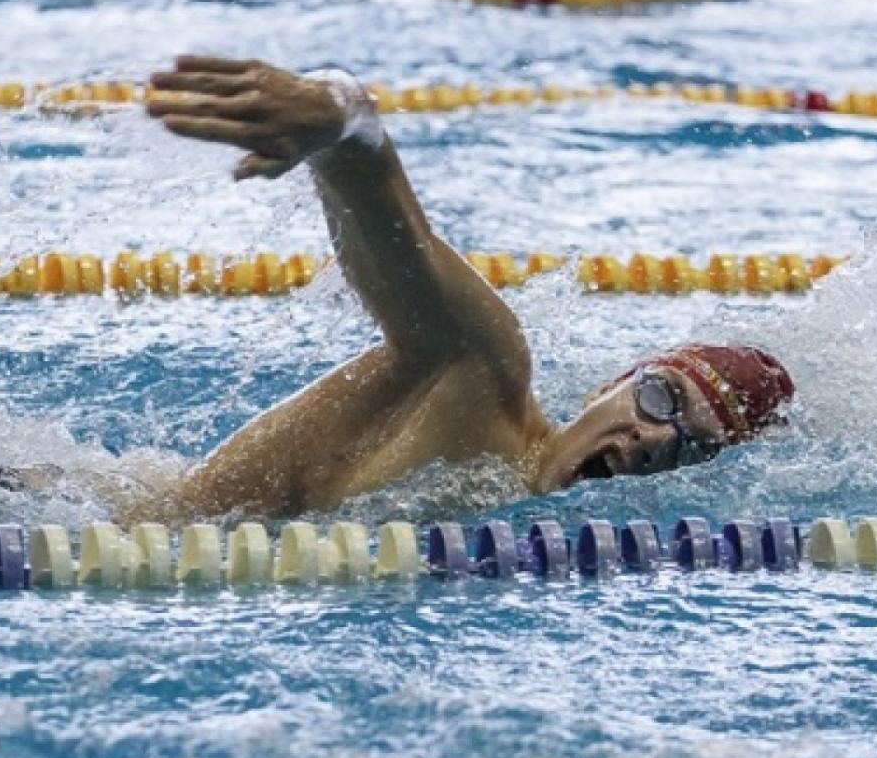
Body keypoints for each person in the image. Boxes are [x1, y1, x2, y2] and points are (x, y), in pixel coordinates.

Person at [140, 58, 795, 519]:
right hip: (116, 521)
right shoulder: (485, 373)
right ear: (610, 386)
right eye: (661, 396)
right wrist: (340, 118)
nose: (658, 437)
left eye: (696, 443)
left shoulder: (520, 516)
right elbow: (401, 237)